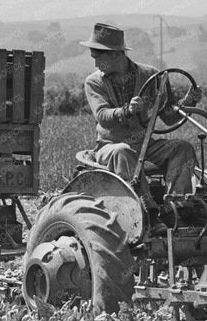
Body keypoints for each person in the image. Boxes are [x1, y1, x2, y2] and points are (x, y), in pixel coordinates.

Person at [81, 23, 195, 195]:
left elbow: (169, 116)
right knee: (122, 151)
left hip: (146, 145)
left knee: (182, 148)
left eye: (98, 57)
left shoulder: (152, 75)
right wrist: (126, 111)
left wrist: (189, 101)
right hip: (111, 146)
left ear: (116, 54)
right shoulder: (94, 82)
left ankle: (177, 205)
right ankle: (145, 207)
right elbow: (103, 117)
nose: (95, 64)